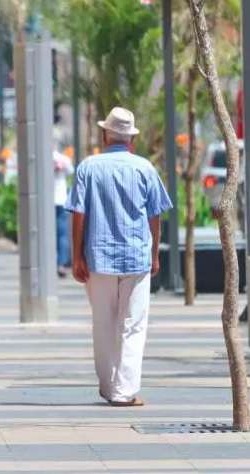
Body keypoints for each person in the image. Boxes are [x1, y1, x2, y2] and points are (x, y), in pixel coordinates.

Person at [66, 107, 173, 407]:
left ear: (104, 135)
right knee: (133, 323)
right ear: (131, 140)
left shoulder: (88, 167)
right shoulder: (145, 168)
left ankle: (109, 385)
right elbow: (155, 216)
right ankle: (124, 391)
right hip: (137, 257)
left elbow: (78, 213)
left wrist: (77, 256)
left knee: (103, 322)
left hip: (98, 259)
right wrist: (154, 254)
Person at [54, 150, 74, 277]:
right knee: (62, 234)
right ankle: (61, 263)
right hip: (60, 200)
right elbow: (71, 171)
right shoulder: (62, 158)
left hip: (46, 202)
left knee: (49, 235)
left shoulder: (39, 157)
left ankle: (57, 262)